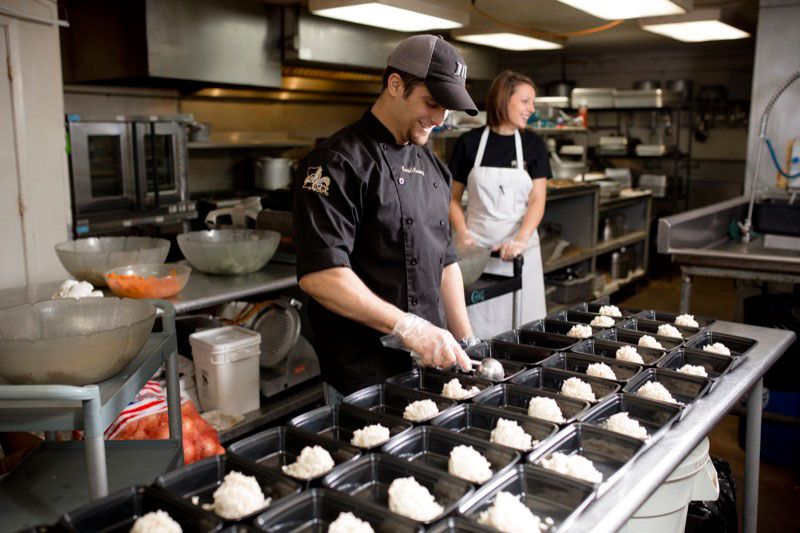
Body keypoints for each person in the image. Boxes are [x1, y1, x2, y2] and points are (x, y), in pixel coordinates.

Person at [292, 35, 479, 395]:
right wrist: (410, 328)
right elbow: (322, 277)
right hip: (362, 375)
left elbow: (445, 262)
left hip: (429, 369)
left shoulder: (434, 168)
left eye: (446, 108)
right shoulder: (336, 163)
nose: (439, 119)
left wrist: (467, 341)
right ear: (396, 85)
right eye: (432, 102)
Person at [448, 70, 551, 339]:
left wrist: (520, 240)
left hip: (520, 252)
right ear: (504, 99)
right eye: (526, 101)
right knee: (475, 334)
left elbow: (538, 200)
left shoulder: (533, 145)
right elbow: (452, 199)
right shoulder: (468, 143)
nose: (532, 109)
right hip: (476, 257)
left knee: (522, 334)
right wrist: (463, 235)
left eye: (532, 102)